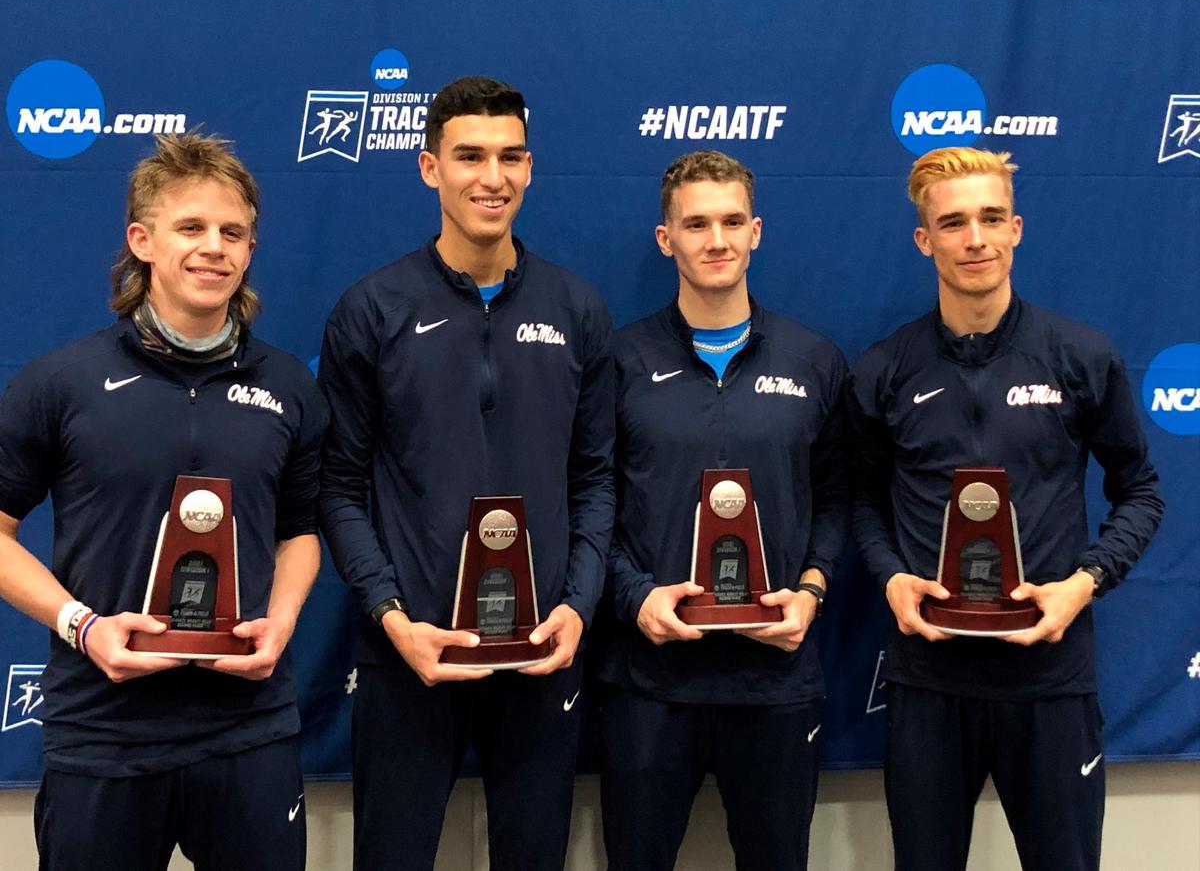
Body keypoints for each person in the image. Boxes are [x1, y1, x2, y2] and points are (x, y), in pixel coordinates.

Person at [0, 132, 328, 871]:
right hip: (102, 732)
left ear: (249, 250)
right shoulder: (61, 382)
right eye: (192, 227)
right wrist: (82, 626)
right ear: (142, 240)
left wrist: (279, 625)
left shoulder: (288, 387)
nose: (214, 248)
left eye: (233, 232)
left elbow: (301, 531)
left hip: (246, 727)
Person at [318, 75, 615, 871]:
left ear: (530, 167)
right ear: (428, 168)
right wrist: (387, 612)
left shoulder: (577, 307)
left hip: (541, 651)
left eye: (511, 156)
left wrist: (578, 608)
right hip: (410, 652)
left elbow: (595, 479)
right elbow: (339, 488)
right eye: (470, 156)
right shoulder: (370, 309)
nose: (493, 177)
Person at [845, 146, 1164, 871]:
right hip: (929, 680)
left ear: (1017, 227)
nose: (976, 239)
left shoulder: (1081, 355)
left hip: (1050, 676)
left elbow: (1140, 490)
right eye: (953, 223)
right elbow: (863, 503)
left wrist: (1081, 586)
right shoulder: (883, 369)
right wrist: (893, 579)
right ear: (925, 239)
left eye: (991, 218)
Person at [596, 150, 849, 870]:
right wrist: (635, 596)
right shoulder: (617, 362)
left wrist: (810, 589)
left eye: (732, 221)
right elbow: (591, 504)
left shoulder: (812, 361)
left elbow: (834, 499)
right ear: (664, 238)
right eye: (696, 223)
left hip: (775, 680)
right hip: (649, 677)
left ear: (757, 231)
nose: (717, 239)